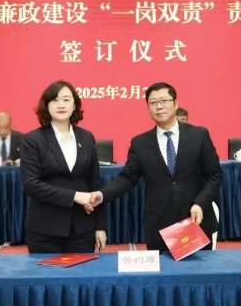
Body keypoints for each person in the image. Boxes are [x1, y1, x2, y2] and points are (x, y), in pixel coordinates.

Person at [88, 82, 222, 251]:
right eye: (153, 102)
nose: (159, 106)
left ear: (176, 103)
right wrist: (102, 195)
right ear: (148, 108)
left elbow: (214, 175)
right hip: (159, 226)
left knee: (198, 268)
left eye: (164, 101)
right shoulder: (140, 143)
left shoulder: (199, 135)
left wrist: (200, 203)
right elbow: (127, 178)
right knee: (161, 269)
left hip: (195, 221)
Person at [20, 80, 107, 253]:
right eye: (55, 100)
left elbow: (95, 183)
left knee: (83, 271)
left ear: (74, 105)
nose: (61, 105)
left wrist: (100, 226)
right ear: (47, 105)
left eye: (66, 100)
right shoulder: (33, 140)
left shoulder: (86, 137)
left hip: (82, 228)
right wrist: (75, 196)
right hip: (45, 228)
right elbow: (31, 185)